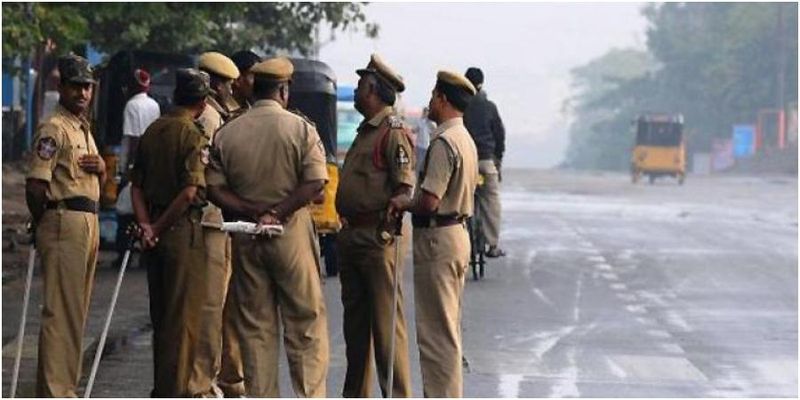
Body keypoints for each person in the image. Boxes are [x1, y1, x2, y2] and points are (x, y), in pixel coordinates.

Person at [206, 57, 330, 398]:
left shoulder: (228, 132)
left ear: (253, 89)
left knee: (255, 327)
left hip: (247, 237)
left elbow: (213, 188)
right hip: (292, 237)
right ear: (284, 91)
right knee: (305, 324)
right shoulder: (300, 129)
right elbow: (316, 182)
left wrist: (252, 211)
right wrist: (278, 212)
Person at [130, 68, 214, 397]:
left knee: (162, 318)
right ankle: (175, 392)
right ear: (203, 103)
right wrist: (160, 227)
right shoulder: (193, 135)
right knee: (183, 322)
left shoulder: (153, 130)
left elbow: (136, 187)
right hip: (181, 233)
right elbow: (190, 192)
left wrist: (147, 227)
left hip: (154, 231)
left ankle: (162, 389)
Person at [25, 54, 106, 398]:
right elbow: (36, 185)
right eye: (76, 86)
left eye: (87, 87)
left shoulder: (82, 128)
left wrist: (102, 169)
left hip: (87, 220)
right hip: (63, 219)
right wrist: (42, 220)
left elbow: (92, 178)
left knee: (76, 313)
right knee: (60, 312)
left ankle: (65, 387)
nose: (83, 93)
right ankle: (56, 392)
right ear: (62, 87)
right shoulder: (54, 128)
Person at [335, 53, 415, 398]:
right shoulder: (366, 130)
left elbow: (404, 186)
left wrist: (392, 214)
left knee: (386, 327)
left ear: (373, 90)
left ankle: (396, 394)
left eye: (360, 86)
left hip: (377, 237)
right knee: (355, 328)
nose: (355, 91)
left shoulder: (392, 132)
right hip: (353, 235)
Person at [398, 70, 478, 397]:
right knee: (448, 328)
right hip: (456, 235)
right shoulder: (465, 138)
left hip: (438, 240)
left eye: (433, 96)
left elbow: (430, 200)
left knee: (436, 335)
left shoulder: (444, 142)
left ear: (443, 99)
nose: (429, 102)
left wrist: (403, 202)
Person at [195, 50, 243, 397]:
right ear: (214, 84)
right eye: (226, 83)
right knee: (209, 308)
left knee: (221, 307)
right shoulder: (208, 119)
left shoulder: (219, 116)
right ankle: (201, 383)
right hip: (209, 220)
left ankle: (216, 379)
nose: (230, 89)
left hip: (221, 221)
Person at [463, 67, 506, 257]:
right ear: (482, 84)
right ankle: (493, 245)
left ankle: (460, 241)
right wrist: (498, 159)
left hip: (465, 164)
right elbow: (499, 135)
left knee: (459, 200)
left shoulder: (459, 107)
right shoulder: (490, 107)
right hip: (485, 162)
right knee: (491, 200)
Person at [119, 68, 160, 175]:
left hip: (137, 164)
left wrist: (126, 168)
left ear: (134, 86)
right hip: (152, 162)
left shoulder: (131, 105)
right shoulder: (155, 105)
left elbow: (132, 139)